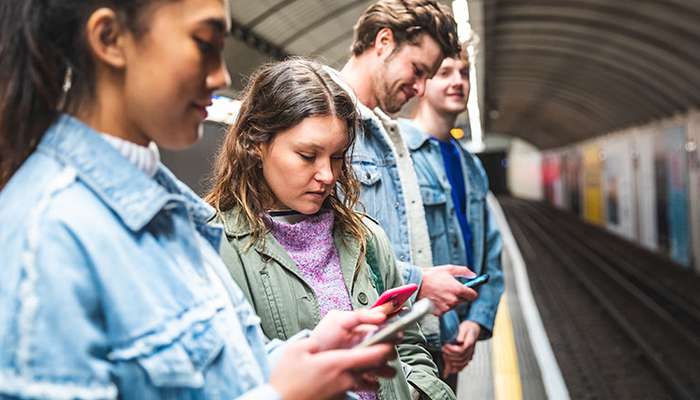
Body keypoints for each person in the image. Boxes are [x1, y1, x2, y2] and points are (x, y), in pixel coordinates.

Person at [0, 1, 398, 399]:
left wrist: (301, 353)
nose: (222, 75)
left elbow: (217, 373)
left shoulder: (167, 211)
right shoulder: (46, 237)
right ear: (110, 39)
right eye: (204, 43)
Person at [206, 58, 455, 400]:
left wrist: (418, 390)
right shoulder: (214, 248)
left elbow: (409, 346)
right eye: (308, 156)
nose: (327, 175)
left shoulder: (365, 236)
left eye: (337, 156)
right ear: (255, 143)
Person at [325, 0, 477, 353]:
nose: (420, 88)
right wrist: (418, 282)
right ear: (383, 42)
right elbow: (319, 249)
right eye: (417, 69)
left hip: (404, 343)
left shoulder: (389, 131)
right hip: (364, 347)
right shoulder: (325, 119)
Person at [398, 47, 504, 389]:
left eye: (464, 73)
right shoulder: (399, 157)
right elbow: (394, 256)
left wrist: (474, 323)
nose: (458, 81)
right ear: (420, 82)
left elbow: (490, 255)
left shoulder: (470, 166)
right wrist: (447, 331)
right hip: (415, 343)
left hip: (456, 339)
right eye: (445, 73)